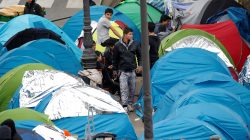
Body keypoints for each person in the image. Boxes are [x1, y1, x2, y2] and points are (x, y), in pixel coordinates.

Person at [113, 27, 142, 112]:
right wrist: (115, 70)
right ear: (125, 34)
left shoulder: (135, 44)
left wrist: (140, 65)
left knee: (132, 89)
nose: (131, 36)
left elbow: (140, 56)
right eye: (130, 34)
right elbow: (115, 59)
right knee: (123, 88)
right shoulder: (117, 45)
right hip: (122, 71)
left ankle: (130, 104)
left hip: (132, 70)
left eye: (132, 34)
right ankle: (125, 105)